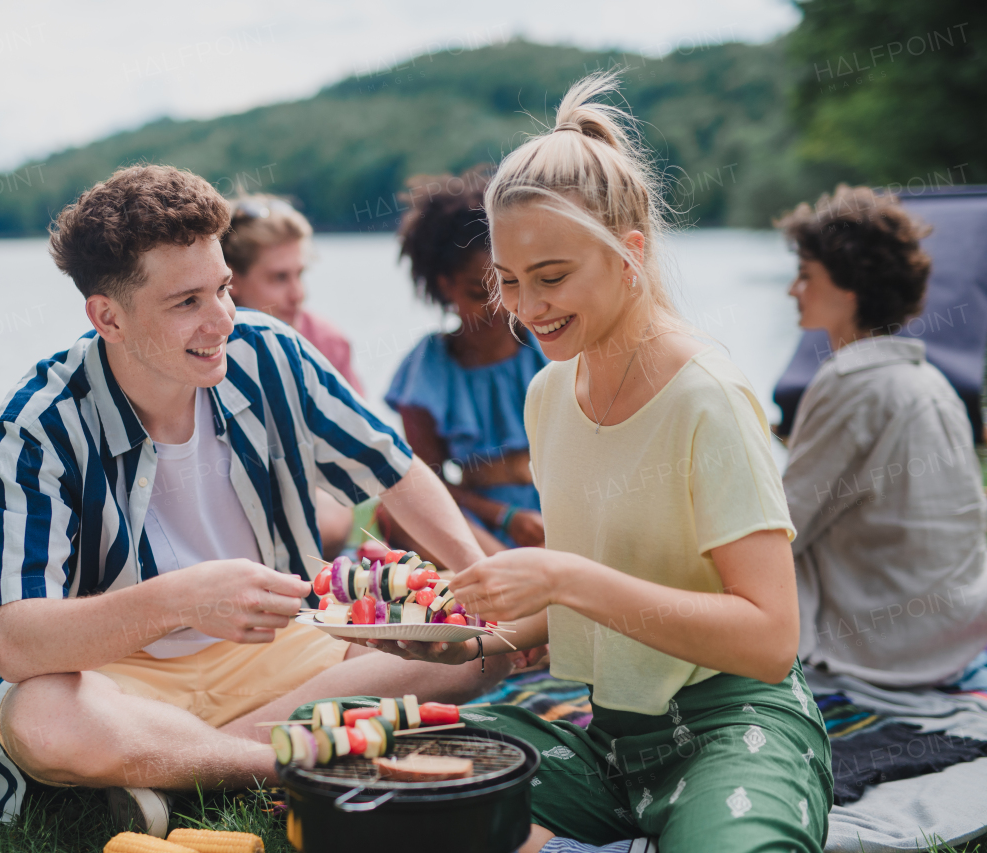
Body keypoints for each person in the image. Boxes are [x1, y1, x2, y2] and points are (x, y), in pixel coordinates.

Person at [359, 73, 832, 852]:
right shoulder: (549, 395)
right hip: (609, 741)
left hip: (736, 724)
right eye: (508, 283)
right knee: (356, 752)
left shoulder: (704, 397)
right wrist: (453, 628)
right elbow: (587, 596)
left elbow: (770, 636)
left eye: (552, 278)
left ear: (628, 255)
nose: (528, 307)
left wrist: (563, 575)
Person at [0, 165, 507, 833]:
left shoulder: (272, 352)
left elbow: (395, 469)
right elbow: (18, 642)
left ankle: (178, 762)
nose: (223, 318)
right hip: (119, 674)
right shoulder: (40, 424)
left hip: (283, 649)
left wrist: (473, 586)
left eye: (223, 286)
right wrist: (183, 600)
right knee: (42, 717)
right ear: (108, 315)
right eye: (186, 301)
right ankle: (282, 756)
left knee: (481, 649)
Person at [777, 185, 987, 688]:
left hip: (889, 650)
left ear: (849, 287)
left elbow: (784, 526)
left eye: (806, 276)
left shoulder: (852, 380)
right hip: (956, 630)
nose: (793, 290)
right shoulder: (927, 376)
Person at [382, 165, 549, 554]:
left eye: (506, 287)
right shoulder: (426, 372)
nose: (499, 309)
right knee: (399, 515)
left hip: (563, 509)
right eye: (478, 292)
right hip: (482, 524)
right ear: (446, 286)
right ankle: (503, 575)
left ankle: (517, 581)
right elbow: (426, 483)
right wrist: (504, 516)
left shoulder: (549, 345)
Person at [221, 193, 362, 558]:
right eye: (279, 278)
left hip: (313, 496)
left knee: (327, 518)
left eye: (300, 274)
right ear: (230, 280)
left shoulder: (326, 342)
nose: (298, 294)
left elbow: (360, 457)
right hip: (221, 495)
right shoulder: (201, 347)